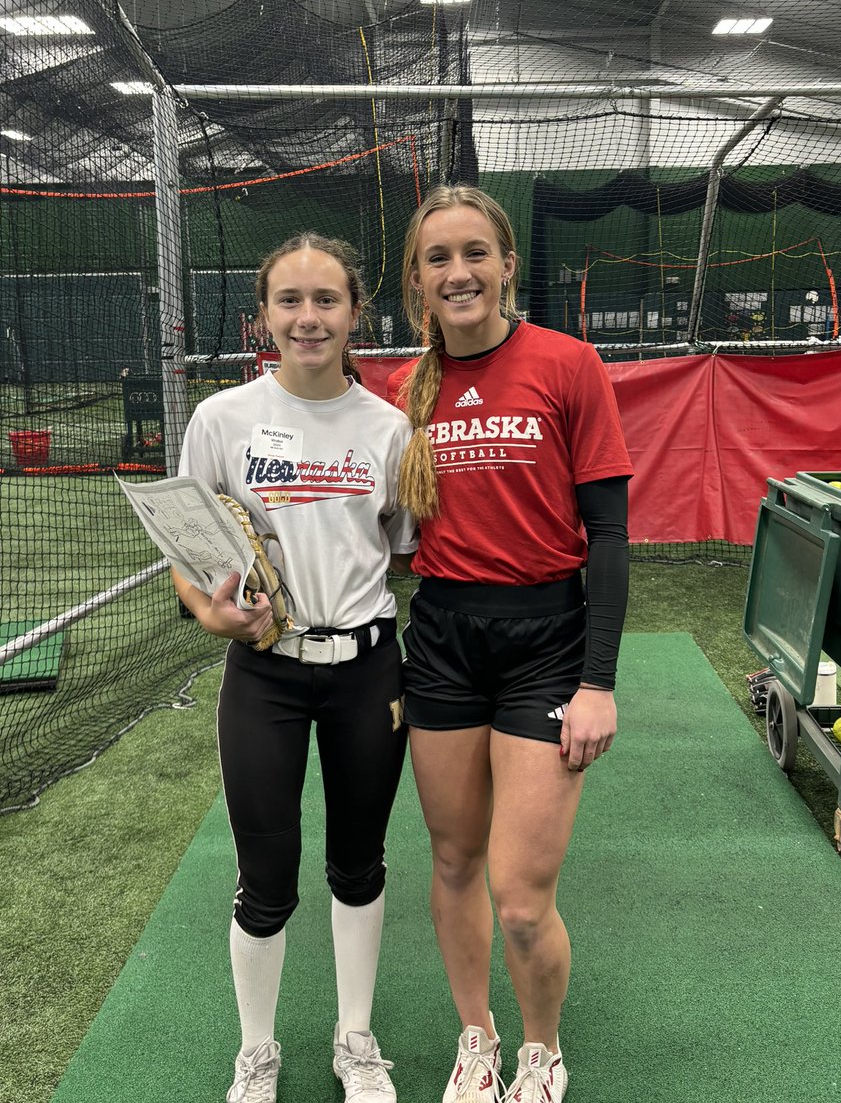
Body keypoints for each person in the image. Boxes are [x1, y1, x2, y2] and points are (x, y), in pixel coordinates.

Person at [391, 186, 633, 1103]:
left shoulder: (568, 365)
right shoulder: (401, 392)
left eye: (474, 253)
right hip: (444, 639)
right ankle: (477, 1040)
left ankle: (541, 1048)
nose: (459, 273)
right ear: (416, 280)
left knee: (523, 898)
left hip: (548, 643)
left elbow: (607, 536)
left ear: (506, 265)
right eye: (438, 258)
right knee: (453, 863)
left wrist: (598, 681)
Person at [171, 232, 417, 1103]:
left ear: (357, 313)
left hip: (366, 669)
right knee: (265, 875)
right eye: (290, 301)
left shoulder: (391, 429)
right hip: (265, 673)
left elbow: (400, 548)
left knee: (360, 863)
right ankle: (258, 1050)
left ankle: (356, 1039)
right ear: (265, 314)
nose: (308, 318)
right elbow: (191, 559)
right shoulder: (222, 419)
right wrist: (216, 613)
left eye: (326, 301)